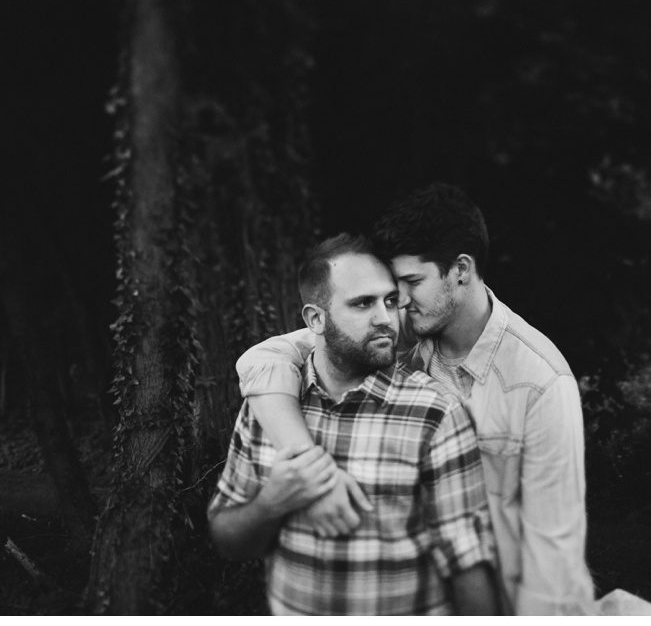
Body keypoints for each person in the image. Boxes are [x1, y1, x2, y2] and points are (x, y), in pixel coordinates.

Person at [235, 184, 595, 615]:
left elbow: (552, 561)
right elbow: (263, 358)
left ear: (460, 269)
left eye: (411, 282)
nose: (397, 303)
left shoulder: (540, 383)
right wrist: (311, 464)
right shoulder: (402, 333)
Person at [208, 233, 501, 615]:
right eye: (363, 303)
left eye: (390, 300)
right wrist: (272, 502)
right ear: (315, 318)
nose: (385, 318)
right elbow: (228, 541)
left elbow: (468, 565)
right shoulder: (267, 405)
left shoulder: (434, 413)